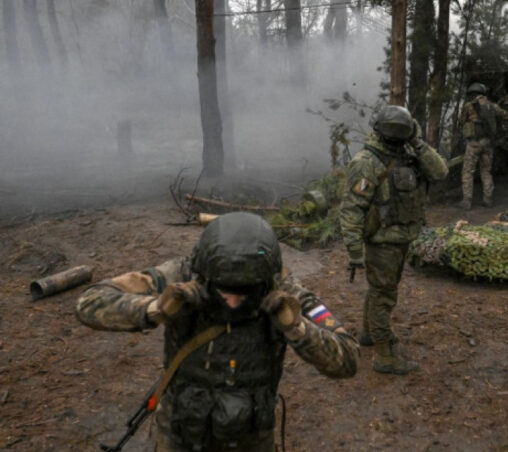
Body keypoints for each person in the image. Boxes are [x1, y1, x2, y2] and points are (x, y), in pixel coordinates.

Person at [76, 212, 358, 451]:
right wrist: (154, 309)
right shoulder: (183, 274)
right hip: (179, 433)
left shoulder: (284, 290)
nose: (234, 302)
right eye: (224, 291)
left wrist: (297, 327)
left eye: (244, 292)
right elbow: (91, 301)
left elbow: (347, 358)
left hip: (252, 436)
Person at [339, 105, 448, 375]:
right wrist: (354, 250)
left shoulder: (408, 155)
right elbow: (352, 209)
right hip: (382, 241)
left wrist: (417, 143)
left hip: (399, 237)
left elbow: (440, 172)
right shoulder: (367, 162)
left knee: (380, 290)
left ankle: (368, 334)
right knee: (384, 294)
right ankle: (384, 355)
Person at [458, 82, 508, 210]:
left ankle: (467, 201)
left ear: (473, 94)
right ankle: (487, 199)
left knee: (468, 172)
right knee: (486, 171)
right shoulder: (492, 106)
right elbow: (506, 115)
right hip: (488, 144)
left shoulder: (469, 106)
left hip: (474, 143)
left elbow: (462, 121)